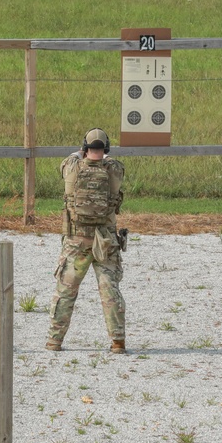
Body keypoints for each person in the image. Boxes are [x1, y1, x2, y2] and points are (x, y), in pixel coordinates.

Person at [46, 128, 128, 354]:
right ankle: (118, 341)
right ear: (106, 148)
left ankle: (54, 341)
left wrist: (80, 152)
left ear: (85, 147)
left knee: (66, 290)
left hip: (76, 240)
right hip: (106, 240)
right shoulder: (114, 170)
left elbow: (69, 159)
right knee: (109, 289)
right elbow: (113, 165)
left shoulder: (71, 167)